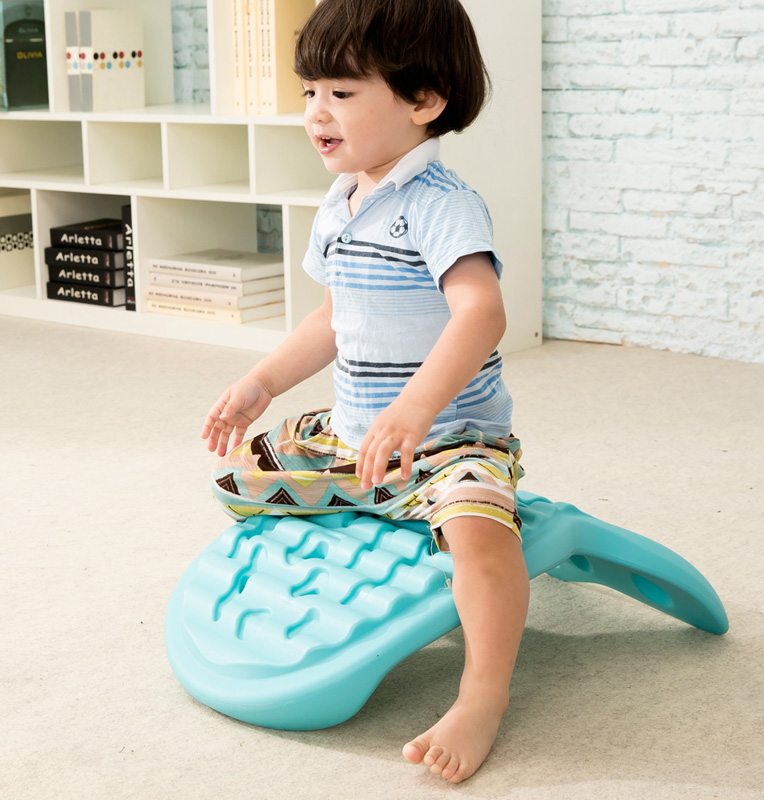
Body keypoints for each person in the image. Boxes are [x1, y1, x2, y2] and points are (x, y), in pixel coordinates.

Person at [201, 0, 529, 784]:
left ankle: (482, 693)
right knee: (245, 475)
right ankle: (370, 495)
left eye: (342, 93)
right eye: (309, 90)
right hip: (359, 435)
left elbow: (481, 312)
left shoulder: (440, 204)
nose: (316, 112)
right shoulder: (341, 198)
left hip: (447, 440)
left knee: (480, 534)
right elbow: (331, 318)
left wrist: (416, 408)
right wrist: (262, 380)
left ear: (423, 100)